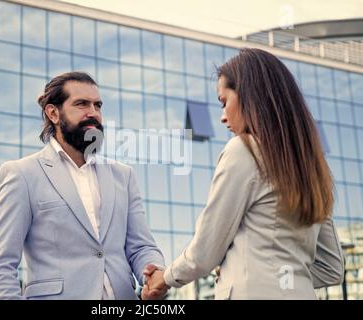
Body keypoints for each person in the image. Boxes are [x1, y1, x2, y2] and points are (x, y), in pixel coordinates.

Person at [144, 48, 345, 300]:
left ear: (250, 95)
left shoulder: (243, 150)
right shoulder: (312, 166)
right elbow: (332, 268)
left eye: (224, 101)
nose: (222, 117)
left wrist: (165, 277)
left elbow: (205, 251)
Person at [0, 72, 165, 300]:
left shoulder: (123, 175)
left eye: (97, 105)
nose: (93, 113)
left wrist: (153, 272)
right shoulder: (21, 175)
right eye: (81, 104)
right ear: (53, 113)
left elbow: (141, 246)